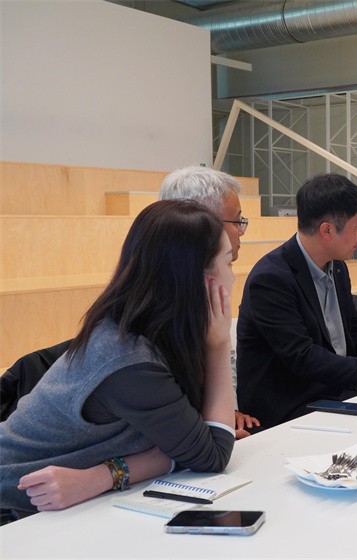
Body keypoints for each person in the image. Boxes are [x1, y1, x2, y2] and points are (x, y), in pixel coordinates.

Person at [0, 201, 236, 519]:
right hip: (17, 508)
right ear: (197, 278)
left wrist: (105, 475)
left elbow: (195, 442)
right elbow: (212, 454)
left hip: (61, 505)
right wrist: (219, 345)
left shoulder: (154, 332)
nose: (233, 278)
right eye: (229, 262)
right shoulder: (130, 359)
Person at [236, 173, 357, 428]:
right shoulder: (271, 278)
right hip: (291, 406)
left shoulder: (337, 266)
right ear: (327, 230)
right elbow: (304, 357)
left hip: (334, 392)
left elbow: (356, 329)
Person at [159, 165, 260, 437]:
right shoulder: (161, 303)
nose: (241, 231)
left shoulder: (207, 284)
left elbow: (226, 357)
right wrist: (214, 429)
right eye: (236, 221)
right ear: (200, 222)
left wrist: (228, 411)